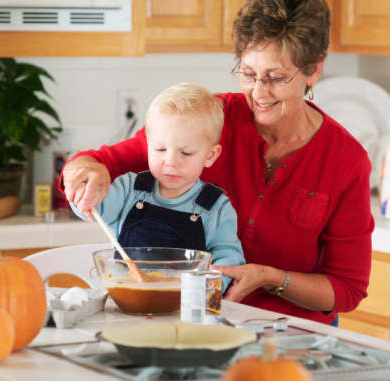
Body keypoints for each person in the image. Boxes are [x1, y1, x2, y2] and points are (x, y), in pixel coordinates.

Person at [61, 0, 374, 326]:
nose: (258, 92)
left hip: (294, 335)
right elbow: (95, 163)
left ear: (314, 71)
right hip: (200, 323)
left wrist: (269, 278)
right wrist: (87, 171)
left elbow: (347, 288)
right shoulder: (210, 119)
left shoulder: (346, 162)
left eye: (276, 78)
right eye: (248, 73)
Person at [69, 83, 245, 294]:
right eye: (160, 149)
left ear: (210, 156)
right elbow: (93, 208)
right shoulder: (128, 190)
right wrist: (84, 195)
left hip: (184, 308)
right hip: (125, 302)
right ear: (148, 145)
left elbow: (228, 261)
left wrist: (209, 288)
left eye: (186, 153)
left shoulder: (216, 207)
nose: (170, 162)